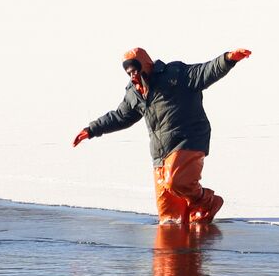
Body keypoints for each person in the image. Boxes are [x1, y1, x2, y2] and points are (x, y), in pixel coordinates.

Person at [74, 46, 252, 224]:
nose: (133, 75)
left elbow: (206, 71)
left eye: (135, 70)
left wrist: (228, 59)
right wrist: (91, 130)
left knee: (176, 181)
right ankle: (183, 236)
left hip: (187, 138)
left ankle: (207, 201)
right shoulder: (134, 92)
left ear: (146, 65)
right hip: (160, 153)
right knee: (169, 218)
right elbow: (121, 116)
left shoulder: (176, 74)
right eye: (128, 72)